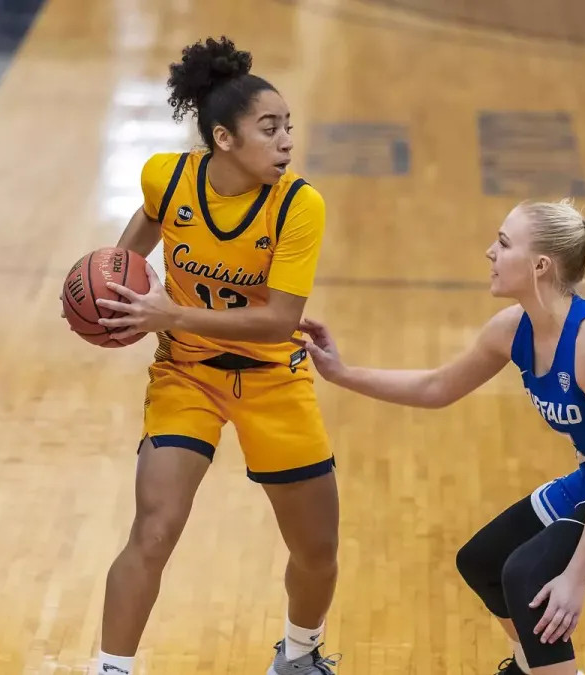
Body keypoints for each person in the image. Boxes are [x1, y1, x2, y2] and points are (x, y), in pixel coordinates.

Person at [295, 199, 585, 675]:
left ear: (540, 266)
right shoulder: (513, 329)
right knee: (483, 562)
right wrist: (342, 374)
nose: (490, 251)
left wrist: (574, 579)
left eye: (504, 243)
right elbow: (437, 388)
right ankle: (533, 668)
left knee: (527, 573)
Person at [77, 35, 340, 675]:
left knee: (317, 549)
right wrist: (115, 296)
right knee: (154, 529)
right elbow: (130, 253)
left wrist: (170, 312)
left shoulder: (299, 206)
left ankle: (300, 655)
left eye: (289, 129)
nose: (286, 142)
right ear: (224, 139)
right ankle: (111, 668)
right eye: (269, 129)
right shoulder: (167, 178)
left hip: (272, 380)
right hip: (186, 375)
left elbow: (279, 321)